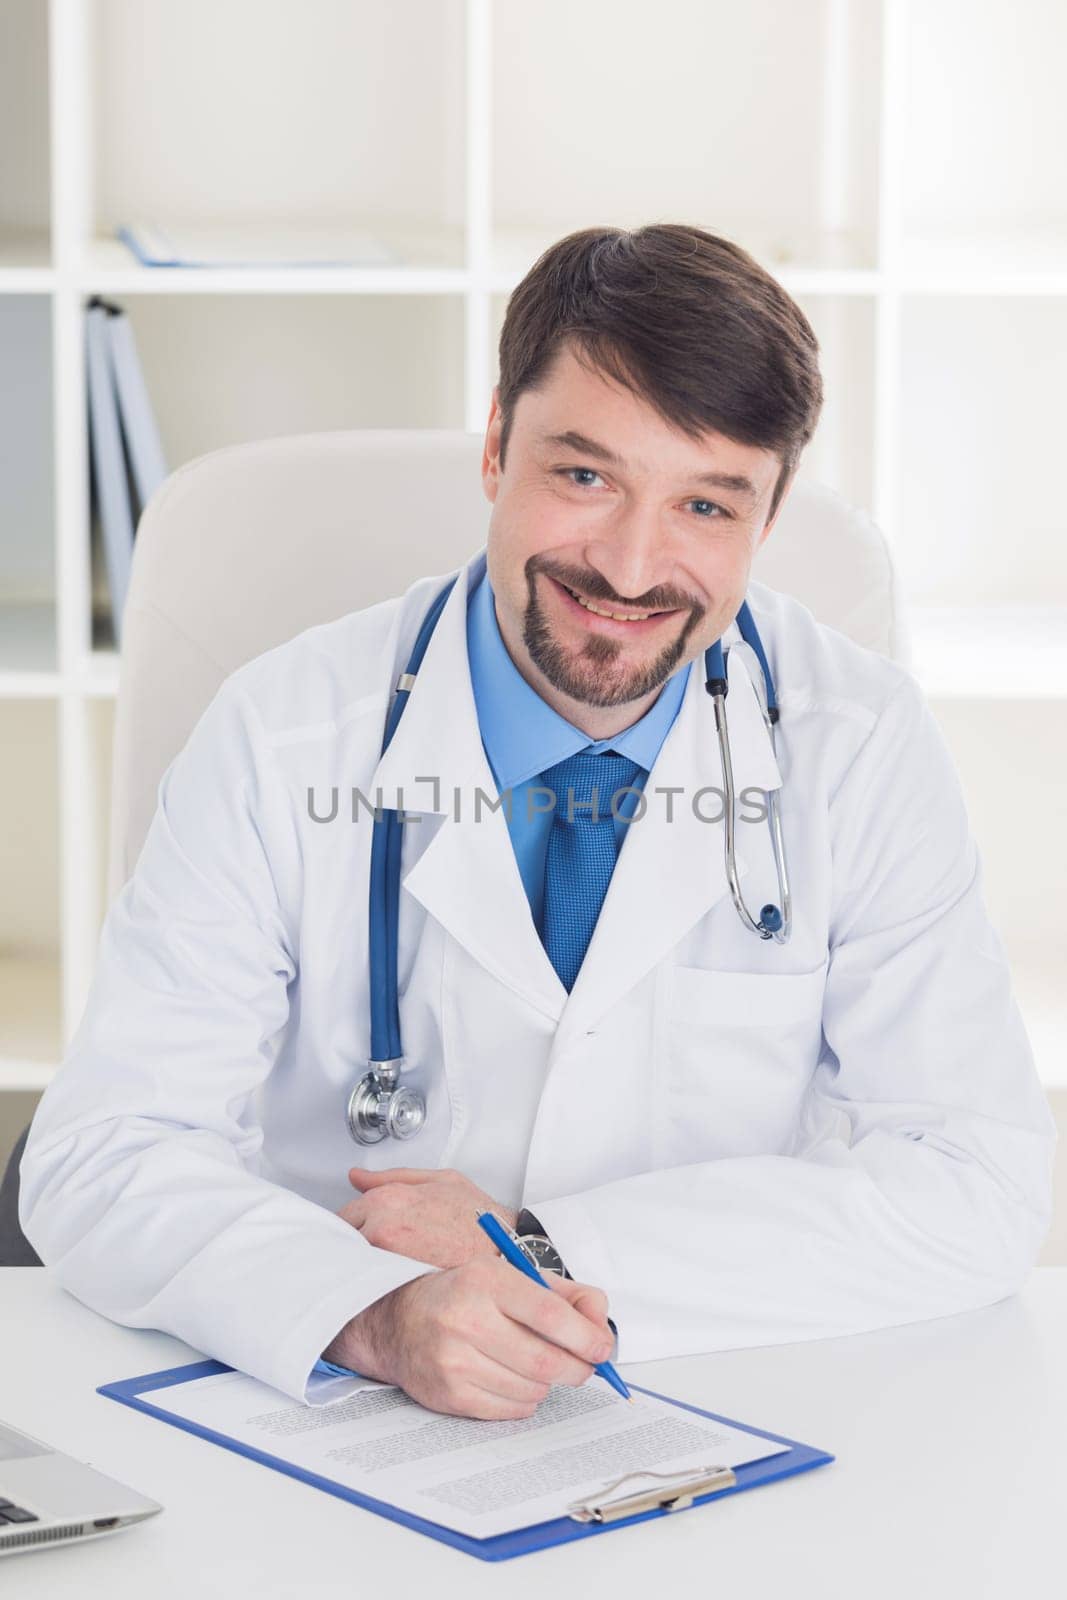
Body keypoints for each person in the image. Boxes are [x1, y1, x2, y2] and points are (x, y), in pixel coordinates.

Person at [19, 224, 1056, 1422]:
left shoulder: (858, 745)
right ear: (496, 448)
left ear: (766, 524)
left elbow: (974, 1185)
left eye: (706, 505)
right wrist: (371, 1314)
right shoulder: (282, 730)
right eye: (583, 475)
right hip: (335, 1410)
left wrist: (534, 1252)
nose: (629, 564)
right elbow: (103, 1154)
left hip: (711, 1395)